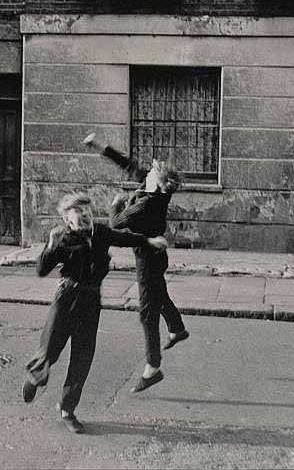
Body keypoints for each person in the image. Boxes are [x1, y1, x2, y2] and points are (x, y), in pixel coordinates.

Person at [22, 192, 168, 433]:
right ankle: (35, 377)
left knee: (82, 357)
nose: (85, 217)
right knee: (49, 349)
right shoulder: (64, 240)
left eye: (87, 213)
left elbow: (124, 238)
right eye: (78, 215)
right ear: (68, 220)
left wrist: (149, 241)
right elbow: (41, 269)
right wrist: (50, 245)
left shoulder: (100, 233)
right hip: (66, 299)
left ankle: (67, 409)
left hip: (91, 302)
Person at [83, 133, 189, 393]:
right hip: (156, 256)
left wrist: (115, 204)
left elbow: (116, 224)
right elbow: (128, 165)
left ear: (159, 184)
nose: (147, 171)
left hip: (148, 260)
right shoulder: (150, 187)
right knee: (158, 293)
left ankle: (153, 368)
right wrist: (100, 147)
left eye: (152, 171)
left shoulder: (145, 204)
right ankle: (177, 328)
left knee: (147, 312)